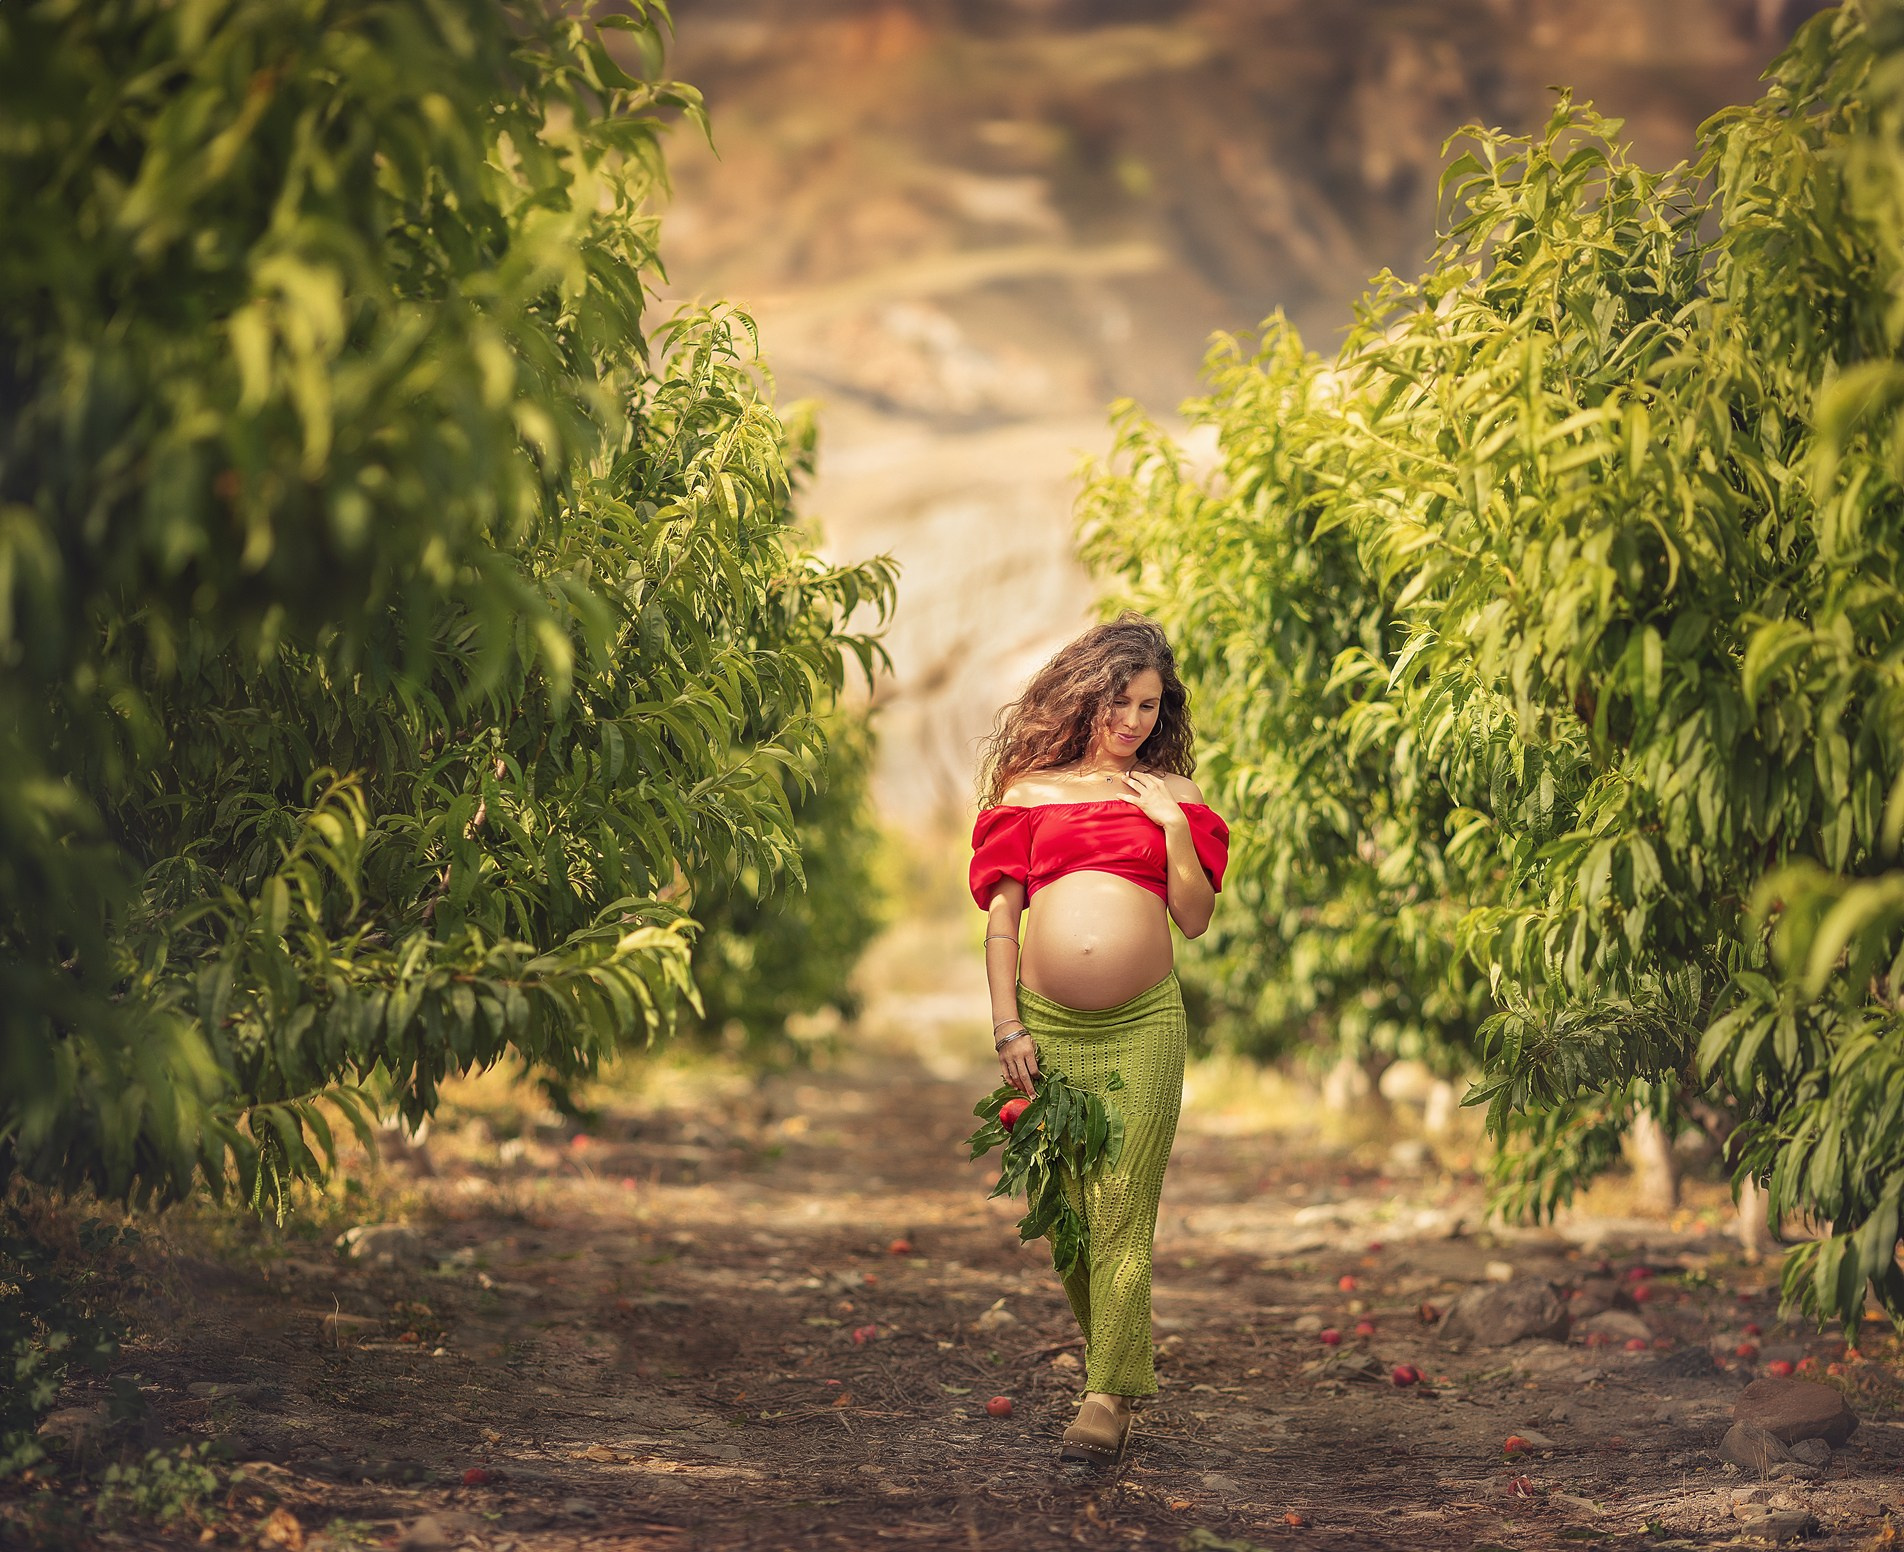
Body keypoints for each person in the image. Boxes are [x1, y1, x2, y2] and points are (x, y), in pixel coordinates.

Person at [968, 612, 1229, 1467]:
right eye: (1121, 702)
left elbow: (1193, 917)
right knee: (1069, 1218)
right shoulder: (1028, 794)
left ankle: (1107, 1395)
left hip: (1145, 1020)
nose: (1134, 722)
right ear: (1086, 696)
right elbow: (1003, 922)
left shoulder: (1177, 798)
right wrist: (1007, 1024)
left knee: (1123, 1205)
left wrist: (1175, 827)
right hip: (1046, 1025)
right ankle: (1114, 1366)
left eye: (1151, 706)